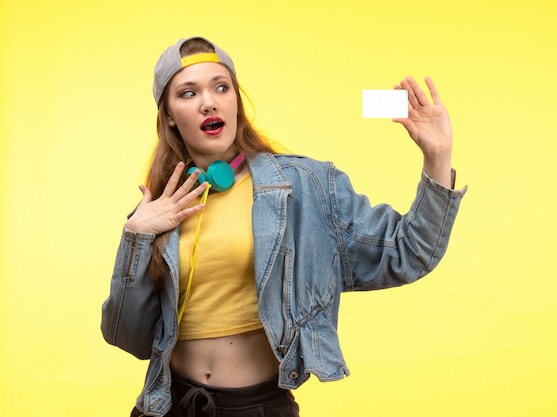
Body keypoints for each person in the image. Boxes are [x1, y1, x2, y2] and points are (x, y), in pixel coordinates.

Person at [101, 36, 467, 417]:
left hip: (256, 407)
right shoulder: (159, 208)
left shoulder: (304, 186)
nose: (208, 101)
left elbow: (409, 252)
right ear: (170, 116)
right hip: (166, 404)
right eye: (188, 93)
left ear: (235, 104)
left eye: (221, 87)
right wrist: (136, 237)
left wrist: (437, 157)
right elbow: (128, 337)